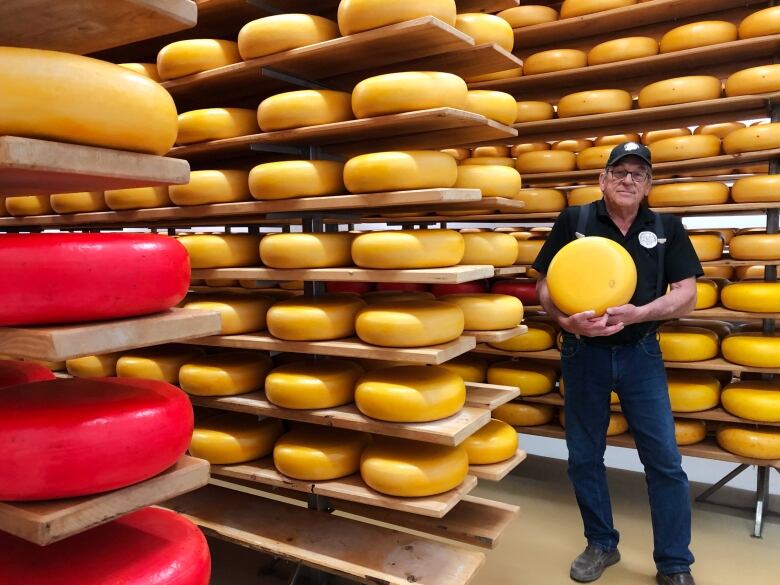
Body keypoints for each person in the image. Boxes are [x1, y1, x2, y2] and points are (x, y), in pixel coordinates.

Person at [532, 142, 701, 585]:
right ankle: (601, 543)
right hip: (582, 351)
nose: (629, 180)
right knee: (584, 456)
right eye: (620, 172)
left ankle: (674, 562)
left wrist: (641, 312)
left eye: (638, 174)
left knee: (663, 458)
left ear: (648, 185)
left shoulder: (666, 226)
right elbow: (545, 285)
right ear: (603, 179)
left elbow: (686, 292)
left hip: (641, 351)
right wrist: (566, 321)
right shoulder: (576, 220)